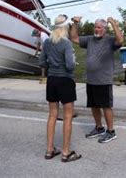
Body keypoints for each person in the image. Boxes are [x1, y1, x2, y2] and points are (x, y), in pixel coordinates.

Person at [70, 16, 123, 143]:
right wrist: (75, 24)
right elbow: (74, 38)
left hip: (103, 80)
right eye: (95, 26)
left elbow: (120, 40)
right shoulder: (90, 40)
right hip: (91, 80)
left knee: (106, 106)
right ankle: (99, 128)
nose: (96, 29)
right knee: (94, 106)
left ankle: (111, 131)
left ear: (104, 29)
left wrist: (114, 23)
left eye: (99, 27)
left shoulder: (110, 41)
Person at [39, 15, 81, 162]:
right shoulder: (66, 43)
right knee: (68, 116)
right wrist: (73, 63)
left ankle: (50, 150)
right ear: (65, 28)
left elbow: (42, 62)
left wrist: (53, 66)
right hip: (65, 81)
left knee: (52, 115)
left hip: (51, 80)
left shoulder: (47, 43)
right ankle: (65, 152)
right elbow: (70, 65)